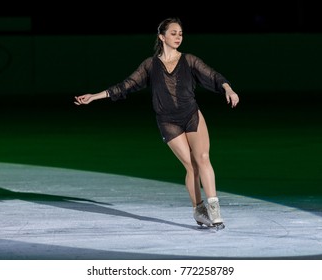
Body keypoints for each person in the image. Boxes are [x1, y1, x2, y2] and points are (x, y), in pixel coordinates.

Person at [74, 17, 239, 230]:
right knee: (191, 166)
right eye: (173, 33)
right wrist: (95, 96)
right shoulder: (150, 65)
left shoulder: (188, 60)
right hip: (168, 121)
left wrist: (228, 89)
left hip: (191, 114)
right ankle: (199, 211)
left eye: (180, 33)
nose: (178, 37)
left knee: (203, 158)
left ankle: (214, 211)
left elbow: (213, 75)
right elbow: (126, 85)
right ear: (162, 36)